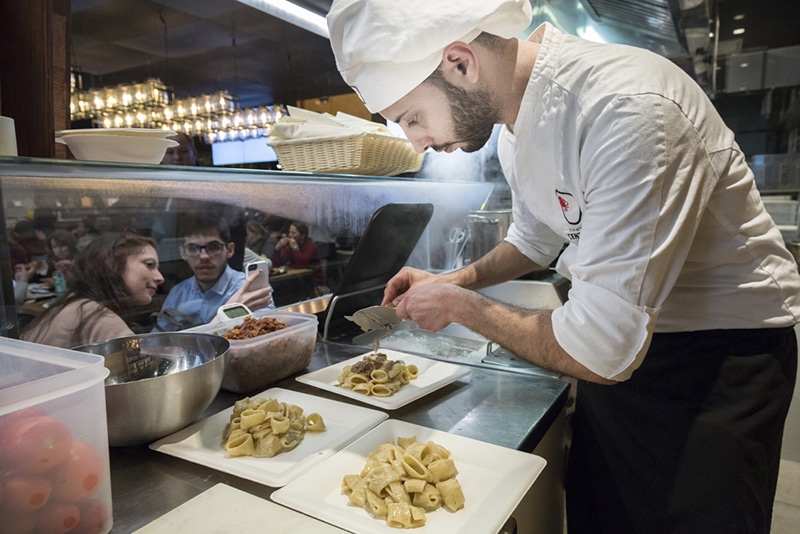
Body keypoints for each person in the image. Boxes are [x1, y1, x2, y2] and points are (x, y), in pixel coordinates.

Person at [327, 1, 800, 533]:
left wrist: (462, 306)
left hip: (717, 362)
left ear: (461, 62)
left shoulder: (627, 109)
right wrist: (452, 280)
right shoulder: (515, 129)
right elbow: (535, 240)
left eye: (411, 118)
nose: (415, 141)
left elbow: (601, 351)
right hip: (620, 348)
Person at [20, 232, 165, 348]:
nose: (160, 278)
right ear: (112, 265)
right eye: (149, 265)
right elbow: (138, 373)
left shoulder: (79, 304)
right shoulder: (98, 317)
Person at [154, 214, 274, 332]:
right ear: (183, 253)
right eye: (193, 248)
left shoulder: (249, 289)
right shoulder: (178, 293)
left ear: (230, 250)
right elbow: (158, 341)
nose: (203, 256)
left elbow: (264, 338)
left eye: (213, 247)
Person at [272, 221, 323, 285]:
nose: (290, 235)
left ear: (303, 235)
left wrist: (295, 248)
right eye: (289, 232)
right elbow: (278, 262)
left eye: (293, 233)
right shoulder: (290, 246)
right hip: (296, 277)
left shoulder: (311, 246)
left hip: (311, 279)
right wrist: (277, 248)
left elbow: (301, 264)